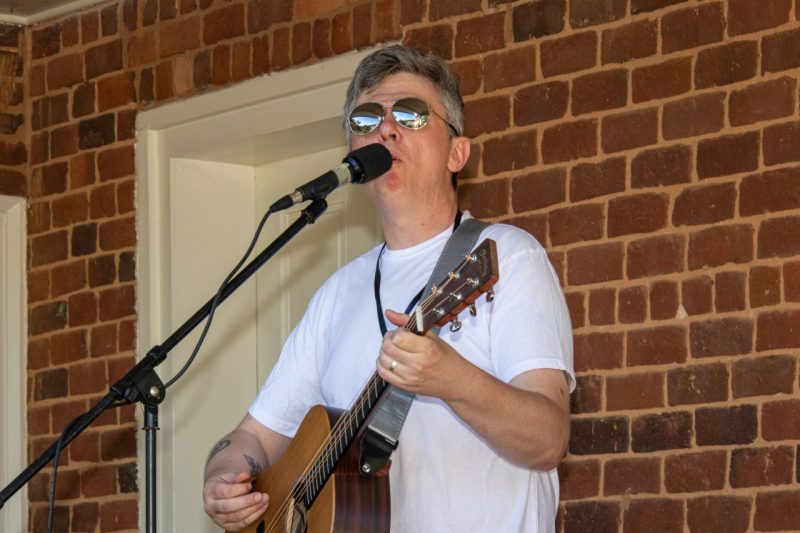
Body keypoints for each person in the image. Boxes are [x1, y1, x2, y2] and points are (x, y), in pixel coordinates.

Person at [202, 44, 574, 532]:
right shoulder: (337, 293)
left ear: (456, 152)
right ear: (355, 156)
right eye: (366, 119)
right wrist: (223, 474)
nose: (386, 128)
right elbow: (254, 436)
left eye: (412, 113)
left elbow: (548, 441)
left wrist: (453, 380)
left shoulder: (506, 256)